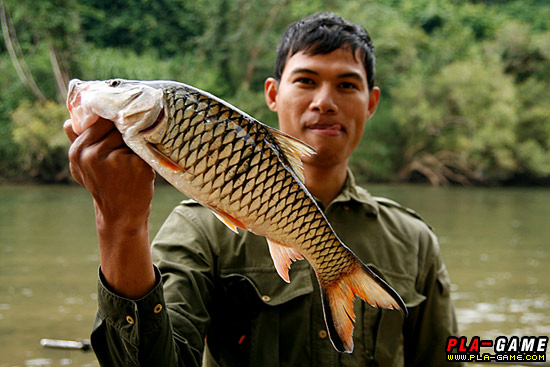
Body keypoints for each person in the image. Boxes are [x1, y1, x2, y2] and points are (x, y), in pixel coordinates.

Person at [64, 12, 460, 366]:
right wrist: (120, 226)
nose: (324, 102)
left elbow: (449, 357)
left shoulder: (415, 240)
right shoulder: (199, 229)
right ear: (273, 93)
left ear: (371, 102)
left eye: (346, 85)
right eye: (306, 80)